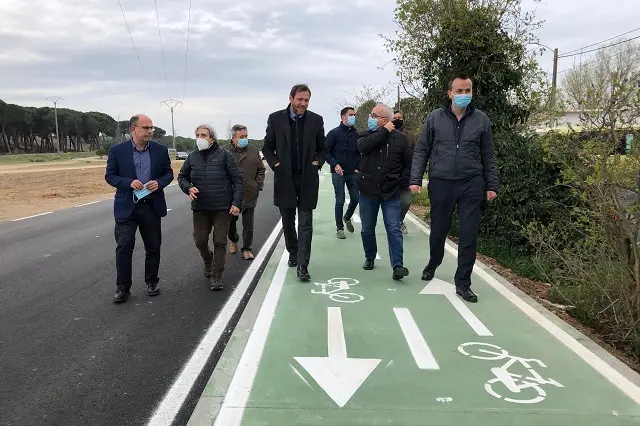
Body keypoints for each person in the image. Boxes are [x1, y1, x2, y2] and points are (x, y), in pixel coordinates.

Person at [409, 73, 499, 303]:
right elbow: (422, 149)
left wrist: (491, 184)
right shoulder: (435, 118)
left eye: (467, 90)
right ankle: (434, 262)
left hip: (471, 182)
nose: (464, 95)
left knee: (469, 234)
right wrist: (415, 179)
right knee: (439, 230)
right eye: (459, 91)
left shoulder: (481, 120)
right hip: (441, 181)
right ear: (450, 93)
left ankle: (463, 283)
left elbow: (488, 154)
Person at [105, 114, 174, 303]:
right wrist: (128, 182)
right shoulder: (117, 150)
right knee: (124, 247)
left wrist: (159, 183)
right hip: (127, 207)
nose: (150, 131)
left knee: (153, 246)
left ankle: (152, 281)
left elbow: (168, 173)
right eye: (146, 128)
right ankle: (123, 287)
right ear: (133, 129)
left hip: (151, 206)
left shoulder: (160, 150)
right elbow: (110, 176)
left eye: (151, 128)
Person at [262, 83, 327, 281]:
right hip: (285, 178)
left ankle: (303, 265)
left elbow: (323, 148)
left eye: (306, 100)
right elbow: (267, 148)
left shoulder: (316, 120)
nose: (303, 103)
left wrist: (317, 163)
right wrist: (276, 164)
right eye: (300, 99)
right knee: (288, 221)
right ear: (290, 98)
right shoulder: (276, 119)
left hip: (307, 178)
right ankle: (293, 251)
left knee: (305, 223)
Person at [177, 124, 243, 290]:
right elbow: (182, 177)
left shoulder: (225, 155)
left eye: (204, 135)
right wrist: (188, 188)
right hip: (200, 207)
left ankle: (216, 274)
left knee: (220, 241)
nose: (200, 138)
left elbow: (237, 180)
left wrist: (236, 203)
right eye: (197, 135)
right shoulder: (192, 157)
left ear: (212, 138)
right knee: (200, 240)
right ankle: (208, 259)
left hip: (222, 207)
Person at [357, 103, 413, 280]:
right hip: (368, 190)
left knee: (393, 228)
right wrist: (384, 131)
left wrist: (401, 182)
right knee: (367, 229)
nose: (371, 118)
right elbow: (363, 147)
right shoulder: (365, 135)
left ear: (385, 119)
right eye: (371, 115)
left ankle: (398, 265)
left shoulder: (401, 139)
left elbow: (408, 163)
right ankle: (370, 256)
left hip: (391, 191)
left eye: (374, 116)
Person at [227, 124, 266, 260]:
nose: (244, 139)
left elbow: (261, 169)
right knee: (230, 223)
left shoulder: (253, 150)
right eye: (241, 136)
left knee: (248, 224)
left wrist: (257, 185)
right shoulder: (225, 151)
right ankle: (233, 240)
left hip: (250, 192)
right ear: (233, 138)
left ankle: (247, 249)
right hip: (231, 195)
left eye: (246, 136)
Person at [325, 106, 361, 239]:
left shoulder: (356, 134)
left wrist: (358, 167)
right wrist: (334, 164)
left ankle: (347, 217)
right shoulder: (333, 133)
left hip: (353, 172)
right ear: (343, 117)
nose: (353, 117)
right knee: (339, 200)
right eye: (351, 115)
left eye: (354, 115)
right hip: (338, 172)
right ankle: (339, 228)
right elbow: (325, 152)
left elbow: (360, 152)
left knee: (356, 198)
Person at [393, 110, 416, 235]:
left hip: (406, 174)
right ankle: (392, 224)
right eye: (395, 118)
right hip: (391, 174)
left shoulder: (410, 135)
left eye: (399, 118)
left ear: (403, 119)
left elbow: (416, 153)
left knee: (406, 201)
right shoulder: (387, 133)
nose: (397, 120)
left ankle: (399, 221)